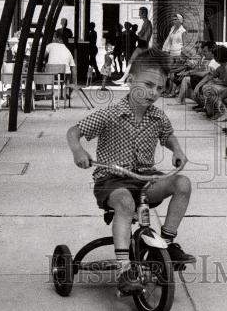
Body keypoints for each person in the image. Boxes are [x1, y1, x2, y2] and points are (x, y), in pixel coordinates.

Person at [67, 50, 195, 295]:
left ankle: (165, 246)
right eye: (147, 85)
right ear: (130, 80)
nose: (153, 93)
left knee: (183, 184)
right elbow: (74, 131)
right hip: (111, 179)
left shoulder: (158, 116)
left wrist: (176, 148)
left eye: (159, 88)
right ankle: (125, 269)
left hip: (146, 178)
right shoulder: (110, 113)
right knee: (124, 201)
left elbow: (168, 136)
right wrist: (78, 151)